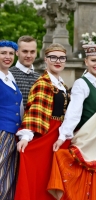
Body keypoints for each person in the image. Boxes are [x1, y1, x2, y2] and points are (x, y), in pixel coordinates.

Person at [47, 44, 96, 200]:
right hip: (86, 139)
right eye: (93, 60)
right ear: (86, 62)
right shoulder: (81, 83)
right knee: (83, 181)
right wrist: (62, 136)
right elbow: (73, 112)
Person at [14, 43, 70, 200]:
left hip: (60, 134)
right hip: (47, 132)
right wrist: (25, 137)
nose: (57, 61)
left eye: (61, 58)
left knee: (57, 177)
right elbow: (34, 110)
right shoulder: (43, 83)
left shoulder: (62, 85)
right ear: (46, 59)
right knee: (43, 176)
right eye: (53, 57)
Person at [0, 40, 21, 200]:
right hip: (1, 133)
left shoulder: (9, 76)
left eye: (10, 54)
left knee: (8, 178)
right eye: (3, 53)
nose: (7, 57)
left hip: (12, 133)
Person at [9, 35, 40, 107]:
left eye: (32, 52)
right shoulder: (8, 75)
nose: (29, 55)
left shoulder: (40, 78)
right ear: (17, 52)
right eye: (25, 51)